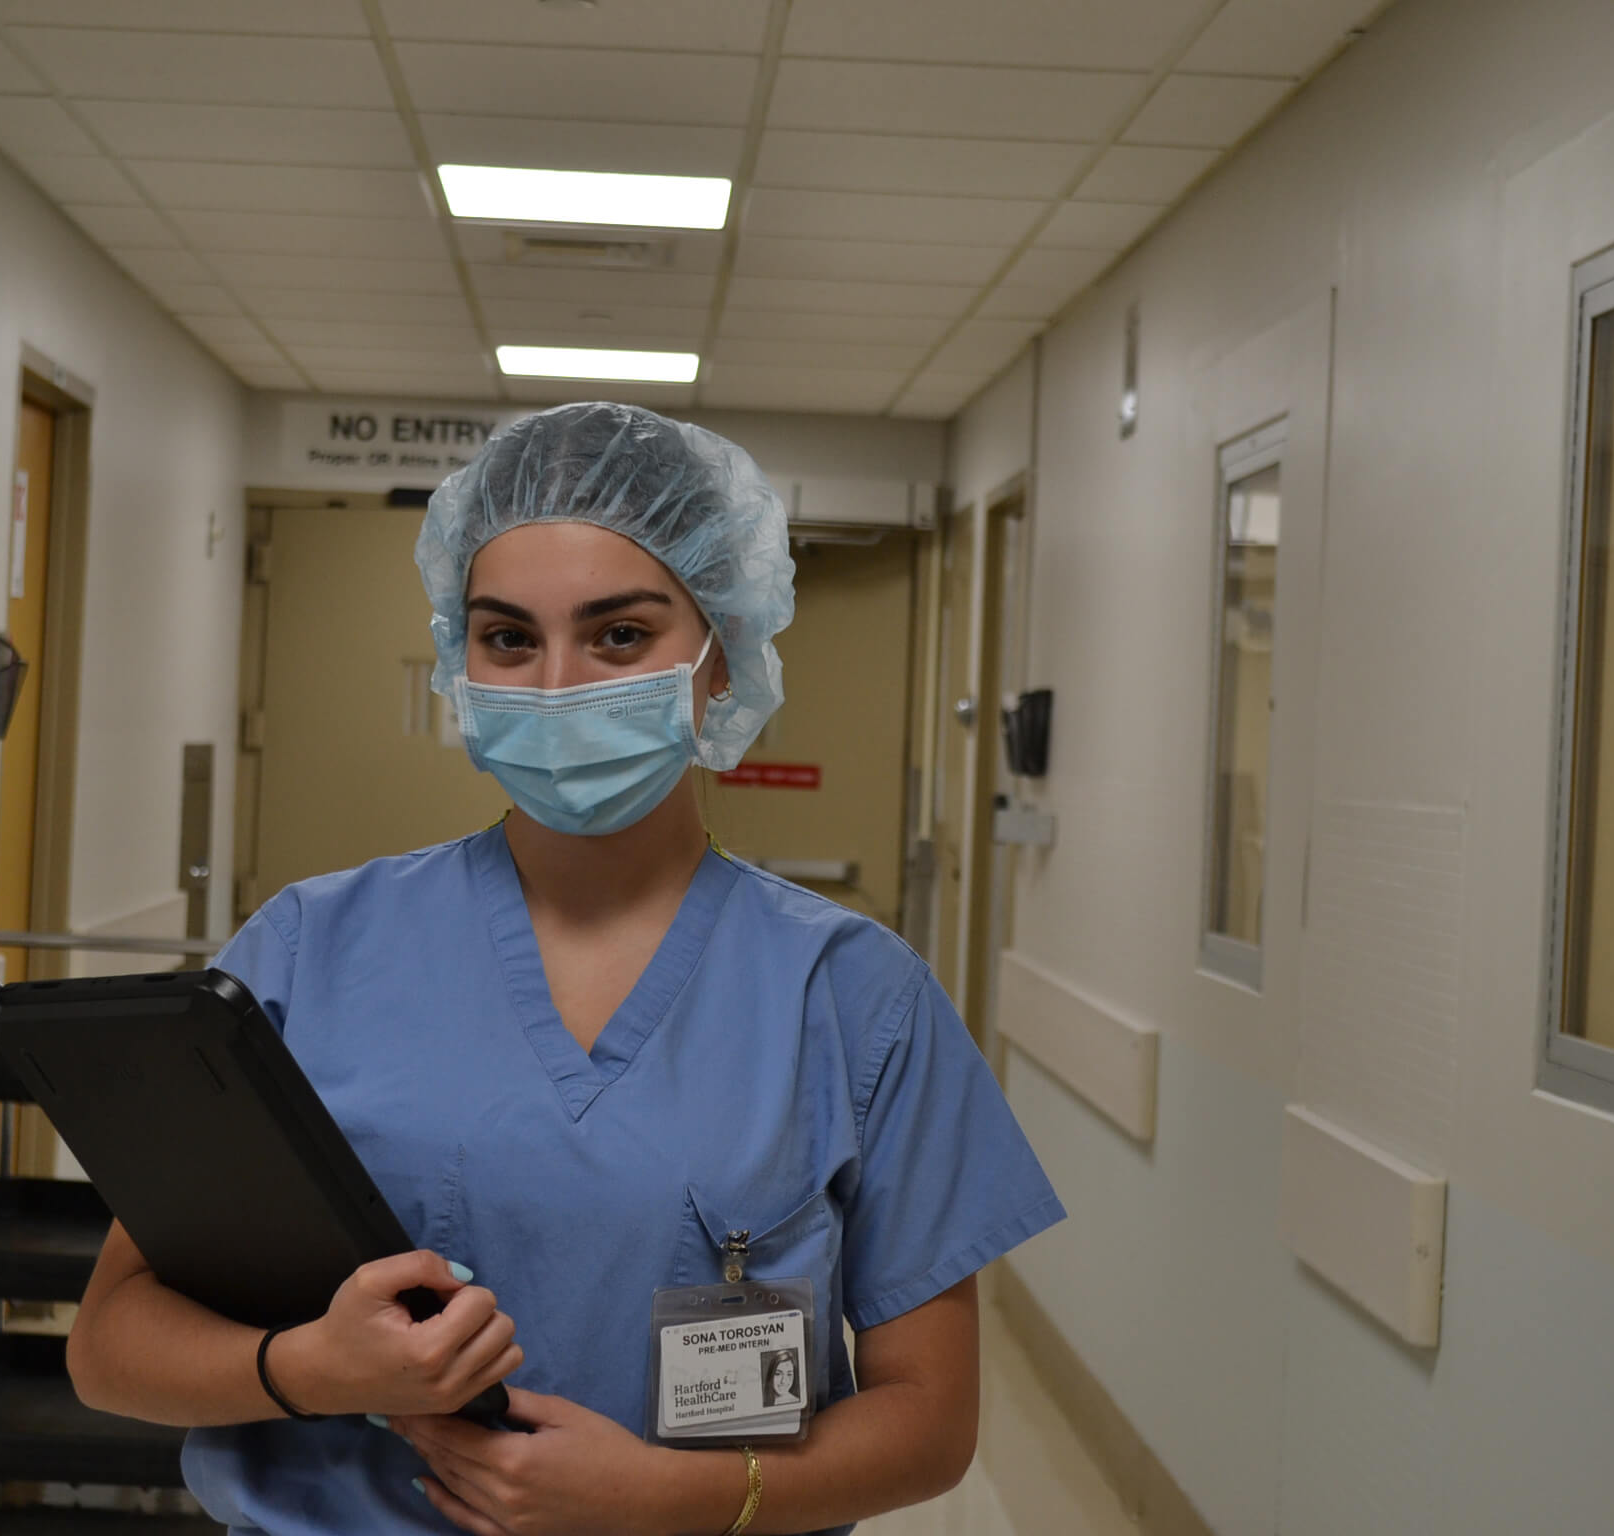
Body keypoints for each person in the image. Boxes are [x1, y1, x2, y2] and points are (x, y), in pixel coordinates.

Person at [66, 402, 1064, 1536]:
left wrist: (673, 1498)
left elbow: (929, 1420)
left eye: (621, 636)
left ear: (720, 653)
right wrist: (310, 1368)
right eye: (507, 638)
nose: (556, 685)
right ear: (458, 655)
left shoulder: (851, 996)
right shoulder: (307, 949)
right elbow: (112, 1344)